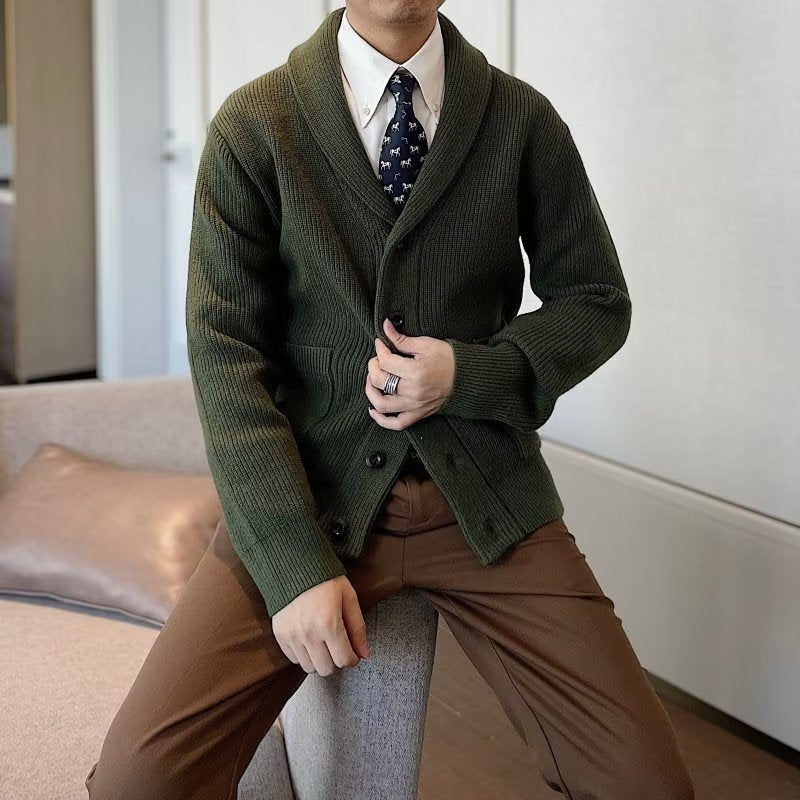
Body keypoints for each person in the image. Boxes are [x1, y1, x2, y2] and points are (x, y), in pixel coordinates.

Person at [85, 3, 695, 798]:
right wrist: (294, 566)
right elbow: (225, 355)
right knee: (136, 784)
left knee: (649, 784)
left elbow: (596, 300)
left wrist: (469, 373)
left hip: (488, 501)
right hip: (310, 498)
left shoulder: (522, 120)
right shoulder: (254, 125)